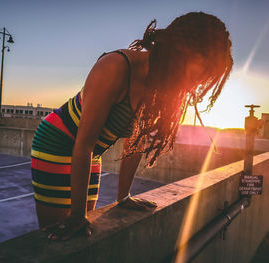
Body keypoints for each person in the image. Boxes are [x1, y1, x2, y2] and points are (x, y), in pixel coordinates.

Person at [31, 11, 233, 241]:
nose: (200, 80)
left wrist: (124, 197)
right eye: (203, 67)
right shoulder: (116, 66)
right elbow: (84, 141)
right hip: (56, 142)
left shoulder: (159, 86)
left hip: (89, 152)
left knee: (83, 233)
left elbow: (135, 141)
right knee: (59, 234)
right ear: (182, 50)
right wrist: (77, 215)